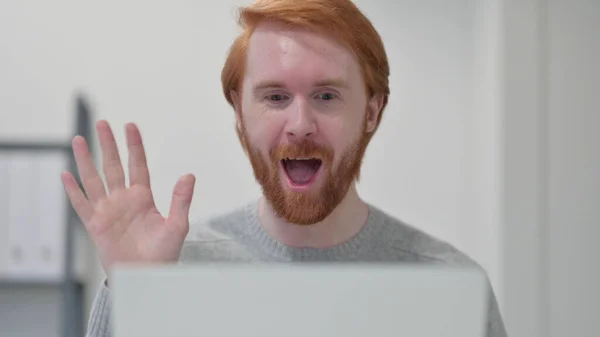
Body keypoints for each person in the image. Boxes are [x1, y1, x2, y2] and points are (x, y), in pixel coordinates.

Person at [61, 0, 508, 336]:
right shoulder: (171, 270)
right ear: (238, 110)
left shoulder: (450, 287)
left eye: (327, 96)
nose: (300, 126)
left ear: (372, 112)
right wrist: (132, 294)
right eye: (275, 97)